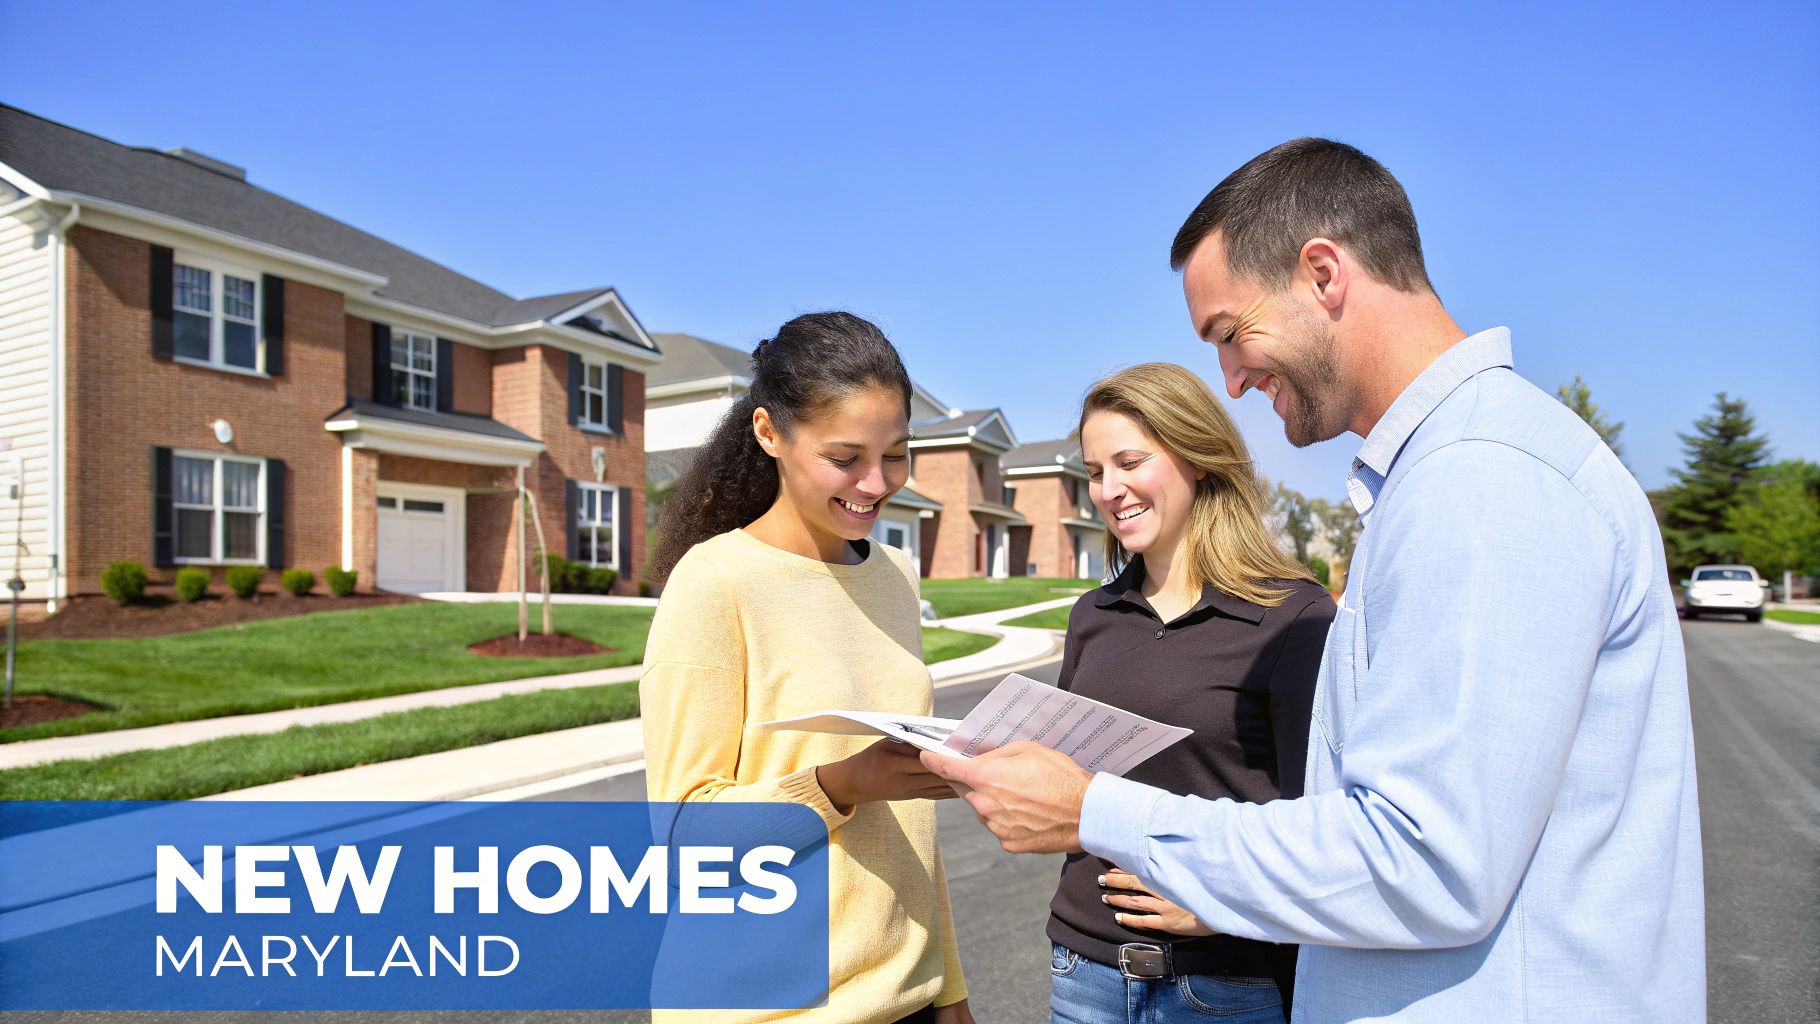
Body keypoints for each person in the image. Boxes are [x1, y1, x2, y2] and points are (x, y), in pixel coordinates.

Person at [922, 139, 1705, 1022]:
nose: (1232, 377)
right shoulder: (1447, 476)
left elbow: (1426, 861)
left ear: (1323, 273)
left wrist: (1098, 811)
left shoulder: (1482, 479)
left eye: (1230, 333)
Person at [641, 311, 973, 1024]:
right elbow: (678, 837)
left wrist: (950, 990)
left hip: (904, 998)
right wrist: (842, 784)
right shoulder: (716, 582)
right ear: (769, 433)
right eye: (846, 457)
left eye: (896, 454)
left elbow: (910, 823)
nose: (876, 483)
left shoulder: (896, 577)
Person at [1046, 362, 1333, 1024]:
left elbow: (1321, 823)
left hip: (1222, 988)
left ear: (1197, 456)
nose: (1109, 490)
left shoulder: (1293, 617)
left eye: (1129, 462)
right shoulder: (1092, 616)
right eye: (1095, 472)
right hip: (1081, 974)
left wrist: (1224, 901)